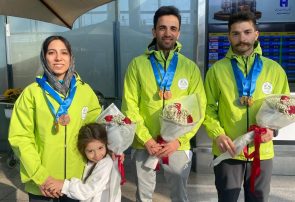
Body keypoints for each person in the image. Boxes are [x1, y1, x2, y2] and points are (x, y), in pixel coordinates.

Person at [121, 5, 207, 202]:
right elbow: (130, 106)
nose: (167, 33)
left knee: (179, 194)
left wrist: (178, 141)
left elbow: (199, 107)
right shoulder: (137, 65)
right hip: (145, 144)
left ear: (178, 32)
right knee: (143, 195)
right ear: (154, 31)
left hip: (177, 144)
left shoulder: (190, 68)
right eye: (162, 28)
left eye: (173, 28)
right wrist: (147, 140)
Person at [203, 11, 290, 202]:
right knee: (227, 198)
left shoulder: (274, 70)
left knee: (258, 199)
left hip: (262, 150)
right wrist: (217, 133)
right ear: (229, 37)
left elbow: (284, 108)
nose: (242, 38)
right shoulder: (217, 71)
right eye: (236, 33)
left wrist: (273, 130)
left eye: (247, 32)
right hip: (229, 149)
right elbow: (207, 109)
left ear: (256, 34)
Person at [8, 35, 102, 201]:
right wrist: (42, 177)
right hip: (41, 185)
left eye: (64, 53)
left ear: (71, 57)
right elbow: (20, 138)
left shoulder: (85, 91)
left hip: (74, 182)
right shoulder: (31, 94)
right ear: (44, 57)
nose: (58, 58)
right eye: (51, 52)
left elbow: (95, 132)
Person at [42, 123, 120, 202]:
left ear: (106, 144)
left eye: (100, 148)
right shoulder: (89, 161)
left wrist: (64, 185)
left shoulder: (106, 163)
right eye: (90, 151)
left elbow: (88, 191)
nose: (97, 155)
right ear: (83, 150)